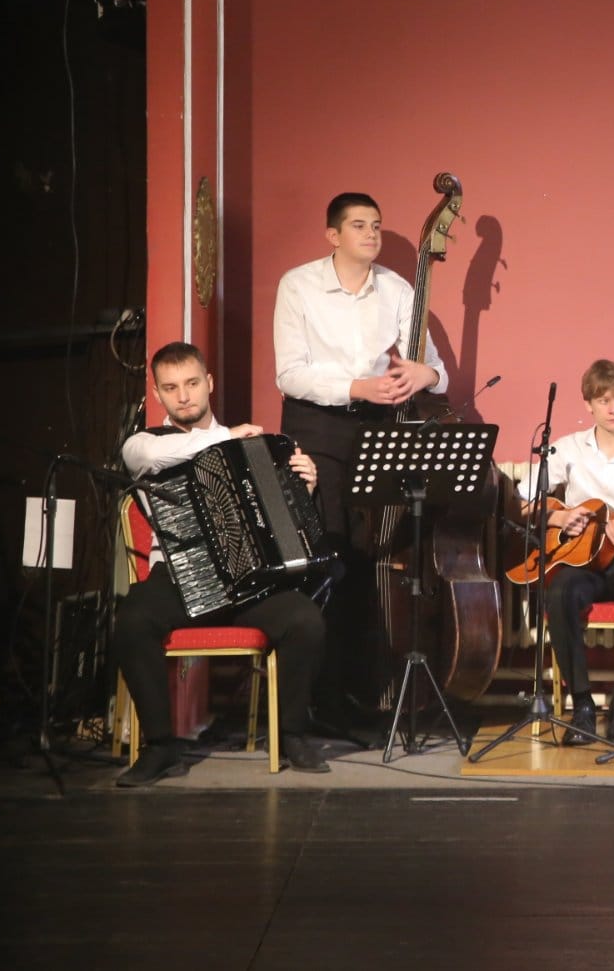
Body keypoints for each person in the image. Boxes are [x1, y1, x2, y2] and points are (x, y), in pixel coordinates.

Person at [113, 342, 329, 786]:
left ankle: (291, 735)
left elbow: (284, 527)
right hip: (179, 580)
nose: (183, 396)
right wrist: (224, 437)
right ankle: (161, 745)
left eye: (192, 383)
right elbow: (150, 458)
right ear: (157, 393)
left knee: (305, 619)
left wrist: (302, 490)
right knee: (132, 619)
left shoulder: (249, 447)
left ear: (209, 383)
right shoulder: (144, 445)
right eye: (171, 388)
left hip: (246, 581)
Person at [273, 192, 447, 735]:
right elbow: (289, 374)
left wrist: (421, 375)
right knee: (326, 554)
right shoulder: (298, 285)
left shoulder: (397, 289)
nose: (371, 233)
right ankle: (316, 700)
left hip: (374, 427)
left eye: (376, 225)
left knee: (366, 561)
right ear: (333, 235)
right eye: (358, 225)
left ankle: (354, 693)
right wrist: (356, 385)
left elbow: (435, 369)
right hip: (316, 427)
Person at [516, 359, 614, 745]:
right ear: (588, 404)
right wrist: (560, 518)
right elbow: (523, 504)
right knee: (559, 593)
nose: (613, 408)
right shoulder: (566, 449)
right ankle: (582, 705)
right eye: (604, 400)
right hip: (578, 557)